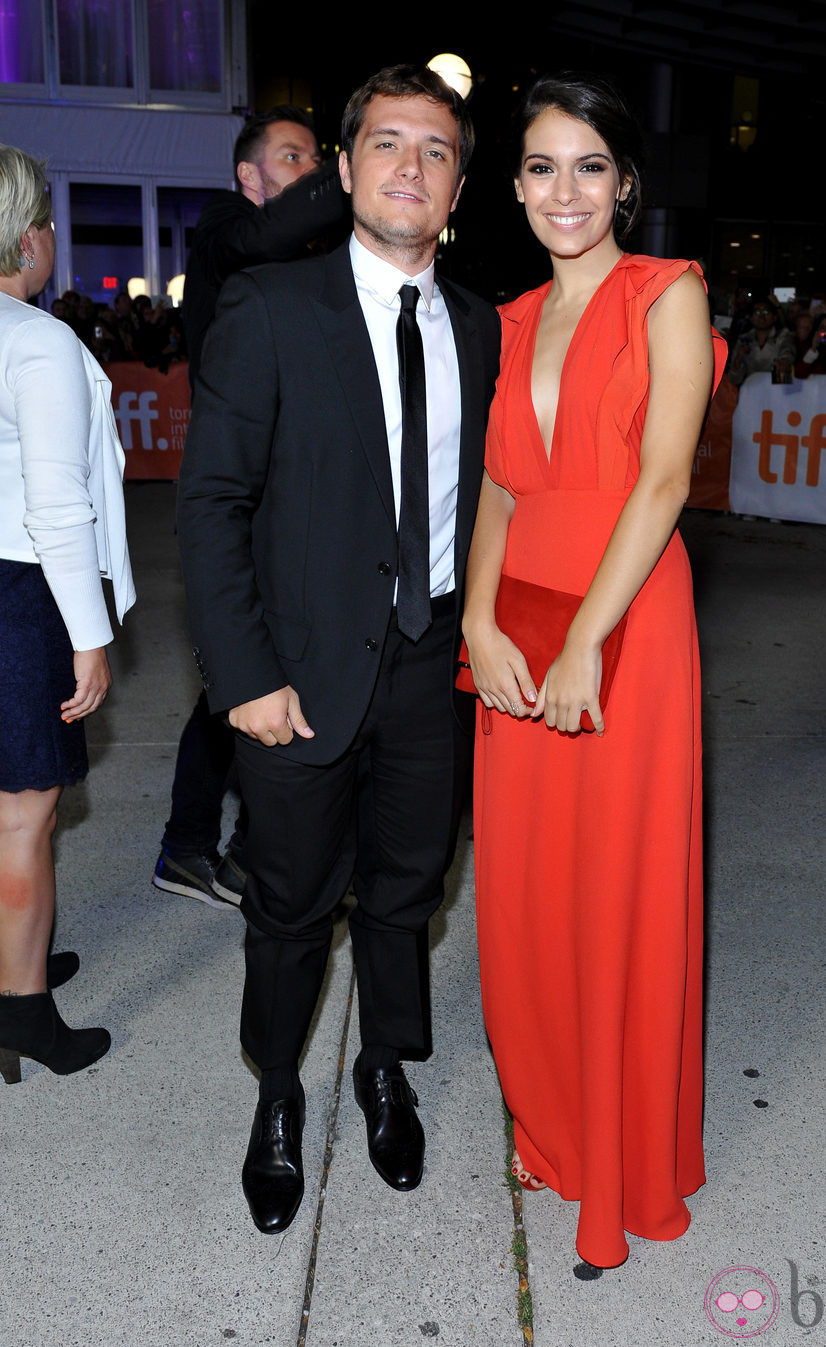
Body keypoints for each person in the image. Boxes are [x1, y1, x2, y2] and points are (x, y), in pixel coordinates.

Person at [177, 65, 500, 1235]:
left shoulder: (477, 326)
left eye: (435, 150)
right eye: (387, 144)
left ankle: (386, 1066)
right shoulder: (269, 310)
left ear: (457, 186)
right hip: (296, 678)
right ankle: (276, 1092)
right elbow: (209, 504)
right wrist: (243, 676)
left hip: (429, 670)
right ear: (348, 167)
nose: (409, 166)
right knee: (288, 904)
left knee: (407, 893)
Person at [461, 73, 725, 1268]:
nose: (561, 190)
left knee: (616, 887)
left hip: (627, 620)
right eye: (537, 167)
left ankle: (618, 1153)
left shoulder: (666, 293)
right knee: (524, 888)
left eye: (585, 166)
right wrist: (477, 620)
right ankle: (554, 1120)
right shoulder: (508, 318)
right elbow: (504, 490)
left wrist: (582, 643)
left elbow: (661, 482)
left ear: (623, 181)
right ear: (510, 185)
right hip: (518, 625)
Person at [153, 105, 346, 910]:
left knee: (276, 667)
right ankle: (193, 846)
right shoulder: (227, 225)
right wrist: (351, 172)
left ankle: (233, 846)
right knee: (240, 673)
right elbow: (267, 237)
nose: (307, 170)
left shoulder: (298, 248)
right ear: (250, 175)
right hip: (243, 491)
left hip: (290, 486)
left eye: (315, 158)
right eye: (294, 157)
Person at [0, 144, 135, 1085]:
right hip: (20, 597)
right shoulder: (35, 341)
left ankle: (20, 965)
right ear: (27, 233)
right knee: (22, 820)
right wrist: (90, 634)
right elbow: (57, 503)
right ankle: (23, 1014)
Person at [726, 296, 793, 385]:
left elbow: (787, 352)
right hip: (751, 391)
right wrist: (738, 359)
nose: (761, 316)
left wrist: (784, 361)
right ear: (751, 318)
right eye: (757, 312)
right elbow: (734, 380)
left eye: (766, 311)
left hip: (777, 391)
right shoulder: (743, 339)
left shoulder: (783, 336)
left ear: (774, 317)